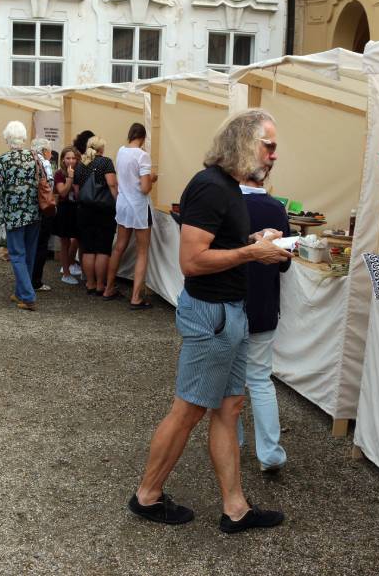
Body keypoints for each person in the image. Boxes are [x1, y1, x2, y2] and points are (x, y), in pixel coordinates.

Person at [128, 109, 291, 533]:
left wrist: (253, 240)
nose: (274, 154)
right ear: (243, 142)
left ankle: (236, 508)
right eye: (269, 145)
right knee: (188, 410)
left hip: (230, 313)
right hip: (212, 316)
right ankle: (147, 496)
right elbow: (192, 261)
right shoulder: (210, 187)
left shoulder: (229, 188)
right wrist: (251, 252)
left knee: (230, 407)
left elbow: (218, 244)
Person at [238, 168, 291, 473]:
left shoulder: (227, 203)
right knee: (259, 379)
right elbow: (284, 264)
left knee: (229, 381)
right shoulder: (276, 208)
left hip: (229, 302)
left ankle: (231, 442)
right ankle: (269, 453)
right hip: (264, 304)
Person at [104, 123, 158, 309]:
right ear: (143, 138)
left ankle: (108, 288)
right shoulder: (142, 156)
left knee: (119, 247)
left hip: (123, 204)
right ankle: (136, 297)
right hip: (139, 206)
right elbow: (145, 188)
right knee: (142, 251)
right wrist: (152, 178)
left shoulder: (121, 151)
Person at [0, 121, 42, 311]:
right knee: (29, 254)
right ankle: (21, 292)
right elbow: (45, 180)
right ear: (23, 137)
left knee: (16, 255)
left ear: (7, 138)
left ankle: (28, 297)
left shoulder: (3, 160)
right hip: (34, 212)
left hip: (13, 214)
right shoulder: (35, 156)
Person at [75, 136, 118, 296]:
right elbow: (112, 184)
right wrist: (117, 201)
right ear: (101, 148)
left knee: (88, 249)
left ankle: (90, 283)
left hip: (84, 211)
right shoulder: (106, 162)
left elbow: (77, 191)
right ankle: (100, 285)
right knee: (102, 249)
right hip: (104, 210)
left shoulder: (81, 164)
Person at [30, 138, 57, 292]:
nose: (51, 154)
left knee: (30, 243)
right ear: (45, 151)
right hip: (42, 208)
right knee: (41, 245)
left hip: (29, 209)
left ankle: (27, 278)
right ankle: (36, 281)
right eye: (50, 151)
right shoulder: (45, 163)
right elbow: (49, 186)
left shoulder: (29, 160)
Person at [53, 146, 81, 285]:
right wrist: (70, 178)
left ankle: (71, 264)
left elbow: (80, 194)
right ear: (63, 160)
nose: (71, 161)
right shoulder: (59, 174)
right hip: (64, 209)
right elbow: (62, 192)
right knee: (65, 242)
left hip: (77, 209)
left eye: (73, 158)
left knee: (78, 239)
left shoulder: (80, 172)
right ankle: (65, 273)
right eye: (68, 158)